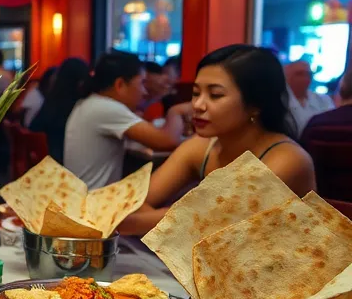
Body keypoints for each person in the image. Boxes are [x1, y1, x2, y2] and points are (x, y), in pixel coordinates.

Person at [120, 45, 315, 236]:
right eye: (196, 93)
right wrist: (183, 219)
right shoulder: (201, 148)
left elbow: (216, 225)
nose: (197, 105)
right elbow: (135, 204)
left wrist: (132, 222)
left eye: (215, 95)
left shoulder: (288, 159)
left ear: (256, 104)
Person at [63, 51, 190, 189]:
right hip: (95, 205)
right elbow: (167, 141)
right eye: (142, 83)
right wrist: (176, 111)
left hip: (83, 199)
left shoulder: (91, 103)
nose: (144, 91)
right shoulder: (106, 108)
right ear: (120, 85)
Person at [28, 57, 90, 164]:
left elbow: (33, 128)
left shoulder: (51, 101)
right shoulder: (76, 108)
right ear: (80, 81)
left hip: (45, 166)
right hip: (63, 167)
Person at [286, 59, 334, 135]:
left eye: (308, 74)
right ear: (287, 76)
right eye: (299, 74)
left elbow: (332, 127)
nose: (305, 77)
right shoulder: (280, 101)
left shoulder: (324, 100)